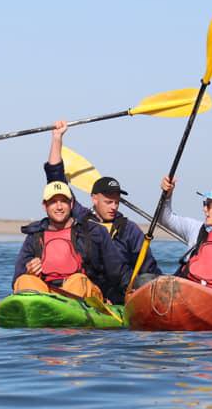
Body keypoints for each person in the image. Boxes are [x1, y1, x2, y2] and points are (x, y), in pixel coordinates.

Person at [43, 120, 161, 289]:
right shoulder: (82, 218)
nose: (113, 207)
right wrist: (57, 138)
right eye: (108, 202)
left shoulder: (129, 230)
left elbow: (148, 268)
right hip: (85, 288)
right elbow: (55, 178)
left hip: (120, 291)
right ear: (94, 199)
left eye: (116, 202)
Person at [13, 180, 125, 302]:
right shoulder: (35, 236)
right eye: (53, 202)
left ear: (71, 204)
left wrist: (120, 298)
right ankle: (41, 307)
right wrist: (29, 272)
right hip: (46, 296)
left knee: (77, 280)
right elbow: (17, 279)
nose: (59, 207)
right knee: (24, 280)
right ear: (45, 206)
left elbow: (117, 273)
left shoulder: (94, 232)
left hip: (83, 293)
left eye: (64, 201)